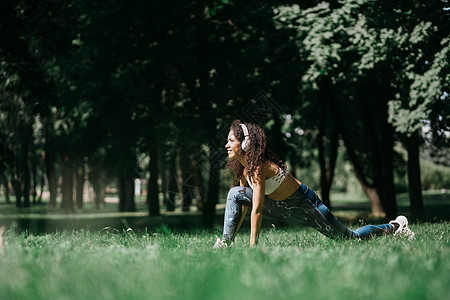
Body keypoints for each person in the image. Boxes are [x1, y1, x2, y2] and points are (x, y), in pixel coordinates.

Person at [214, 120, 415, 248]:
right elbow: (242, 205)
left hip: (307, 206)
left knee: (350, 239)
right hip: (282, 208)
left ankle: (395, 226)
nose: (227, 145)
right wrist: (232, 238)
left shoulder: (259, 167)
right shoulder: (244, 168)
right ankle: (225, 243)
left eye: (231, 141)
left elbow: (256, 209)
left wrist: (252, 247)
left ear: (246, 144)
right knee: (235, 193)